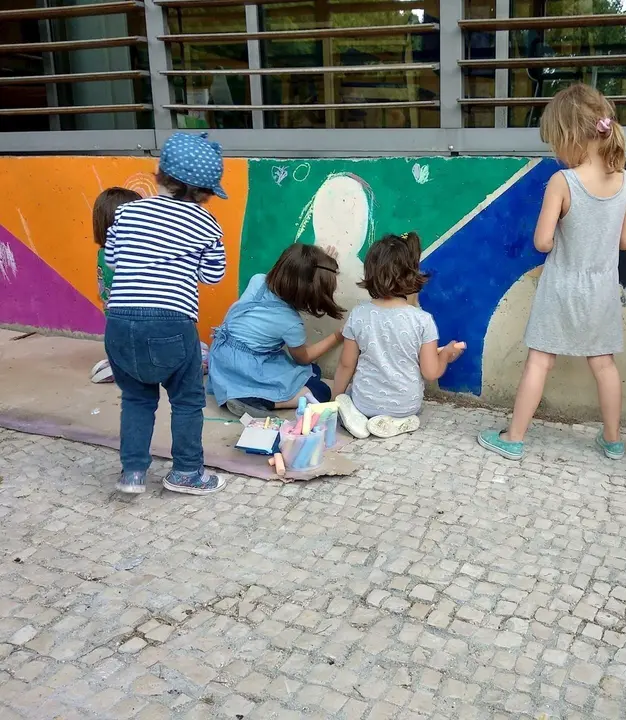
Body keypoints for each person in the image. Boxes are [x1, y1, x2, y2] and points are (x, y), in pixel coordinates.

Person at [476, 83, 626, 462]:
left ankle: (514, 438)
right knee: (604, 364)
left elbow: (543, 241)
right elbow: (625, 241)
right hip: (602, 288)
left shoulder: (562, 182)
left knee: (539, 361)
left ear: (569, 136)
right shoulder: (625, 180)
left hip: (562, 285)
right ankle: (612, 440)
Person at [104, 132, 227, 496]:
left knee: (137, 399)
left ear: (159, 174)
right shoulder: (206, 224)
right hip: (172, 323)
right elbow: (213, 275)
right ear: (206, 192)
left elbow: (112, 261)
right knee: (187, 400)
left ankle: (133, 474)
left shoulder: (126, 212)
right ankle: (187, 472)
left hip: (119, 323)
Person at [332, 232, 465, 439]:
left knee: (347, 398)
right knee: (404, 410)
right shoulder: (423, 320)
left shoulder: (359, 313)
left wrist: (333, 401)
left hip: (365, 402)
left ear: (370, 273)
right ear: (411, 274)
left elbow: (347, 364)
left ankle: (355, 417)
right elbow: (430, 372)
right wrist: (446, 355)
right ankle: (401, 422)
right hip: (406, 404)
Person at [207, 243, 344, 418]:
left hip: (222, 357)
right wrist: (337, 336)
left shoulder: (258, 280)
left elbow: (293, 270)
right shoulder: (290, 322)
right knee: (321, 389)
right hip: (248, 367)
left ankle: (240, 392)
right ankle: (259, 400)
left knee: (313, 372)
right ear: (309, 293)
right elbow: (303, 358)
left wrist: (318, 261)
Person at [89, 187, 141, 384]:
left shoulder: (104, 254)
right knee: (201, 353)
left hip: (116, 337)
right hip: (145, 336)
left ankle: (119, 364)